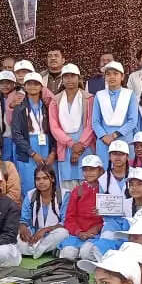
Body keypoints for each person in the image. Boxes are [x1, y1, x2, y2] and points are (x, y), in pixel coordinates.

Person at [48, 63, 95, 191]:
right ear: (62, 80)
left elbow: (91, 124)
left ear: (79, 78)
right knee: (68, 187)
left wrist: (80, 146)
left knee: (87, 181)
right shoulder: (55, 101)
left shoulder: (88, 98)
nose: (69, 79)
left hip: (85, 147)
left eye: (73, 76)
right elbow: (54, 127)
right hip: (65, 147)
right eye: (66, 76)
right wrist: (71, 145)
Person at [11, 71, 56, 197]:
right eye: (29, 84)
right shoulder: (19, 108)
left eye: (36, 84)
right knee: (29, 185)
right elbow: (16, 134)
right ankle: (29, 215)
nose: (32, 87)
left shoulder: (48, 107)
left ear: (41, 86)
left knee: (48, 182)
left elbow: (54, 132)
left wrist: (53, 152)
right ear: (24, 87)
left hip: (45, 146)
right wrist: (32, 153)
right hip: (28, 149)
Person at [59, 155, 105, 260]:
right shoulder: (77, 190)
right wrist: (79, 232)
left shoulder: (106, 190)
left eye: (92, 169)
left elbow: (109, 218)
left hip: (96, 234)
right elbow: (69, 218)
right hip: (77, 235)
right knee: (68, 254)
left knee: (86, 253)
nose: (88, 173)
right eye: (85, 170)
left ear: (101, 171)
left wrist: (96, 229)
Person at [18, 164, 69, 258]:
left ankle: (34, 251)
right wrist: (23, 228)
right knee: (19, 237)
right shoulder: (30, 195)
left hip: (53, 233)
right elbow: (24, 220)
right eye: (38, 179)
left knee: (63, 233)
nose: (41, 182)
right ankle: (43, 250)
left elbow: (65, 222)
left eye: (45, 178)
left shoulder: (64, 195)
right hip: (34, 234)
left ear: (52, 179)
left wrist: (45, 230)